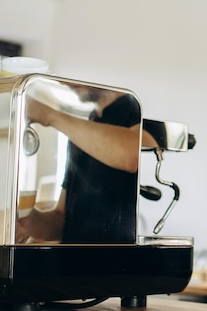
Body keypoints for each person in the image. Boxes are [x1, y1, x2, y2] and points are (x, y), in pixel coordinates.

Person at [19, 84, 146, 244]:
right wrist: (32, 222)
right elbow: (61, 218)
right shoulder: (80, 133)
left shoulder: (135, 109)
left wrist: (48, 115)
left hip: (114, 264)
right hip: (72, 265)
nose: (66, 83)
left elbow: (130, 156)